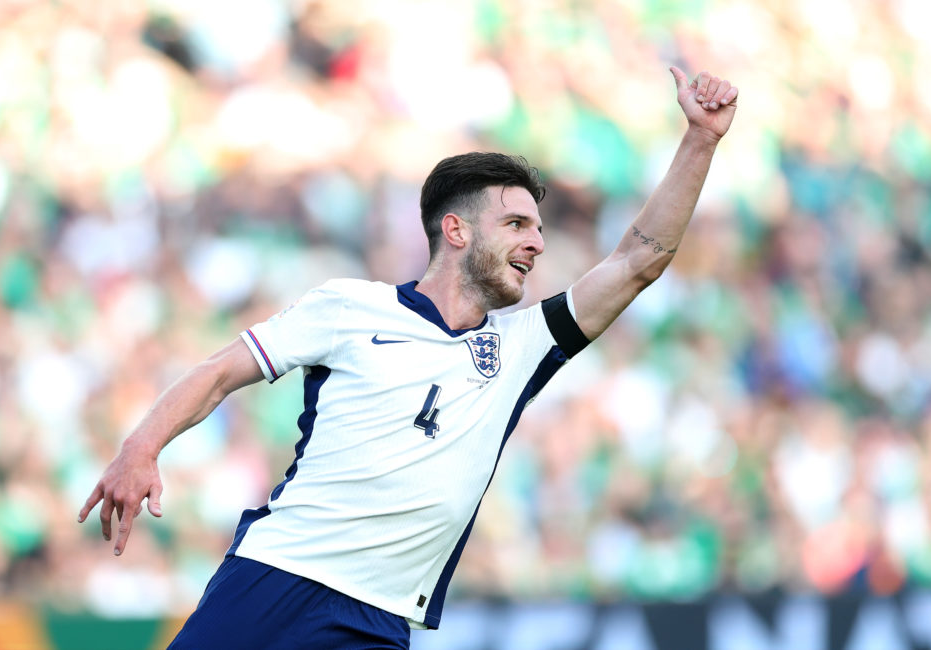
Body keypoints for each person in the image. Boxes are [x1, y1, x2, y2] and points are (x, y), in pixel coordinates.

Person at [78, 66, 738, 649]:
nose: (537, 243)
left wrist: (700, 140)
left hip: (379, 620)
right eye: (516, 225)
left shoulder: (522, 347)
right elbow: (220, 371)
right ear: (455, 230)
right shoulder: (348, 307)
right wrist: (141, 447)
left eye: (539, 228)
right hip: (278, 577)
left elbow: (638, 261)